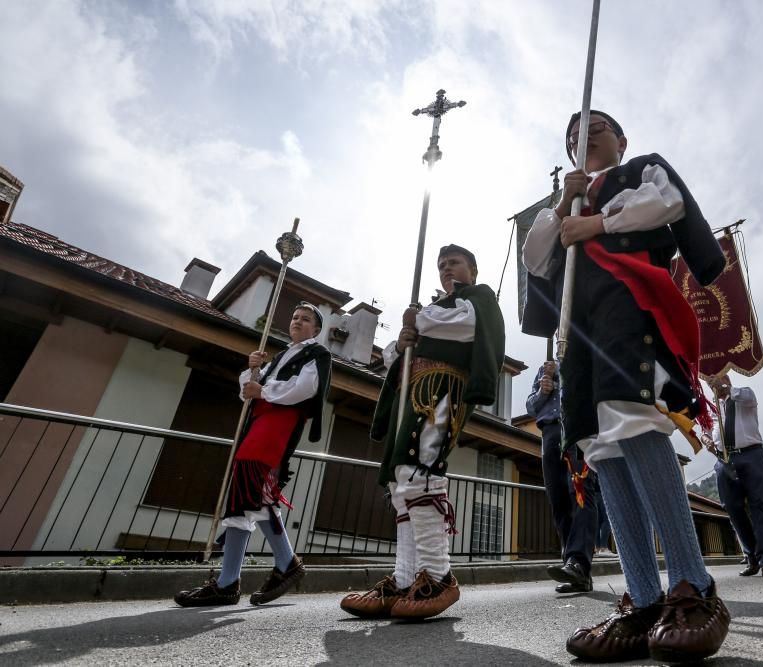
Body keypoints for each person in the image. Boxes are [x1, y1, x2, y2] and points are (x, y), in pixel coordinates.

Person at [522, 109, 730, 663]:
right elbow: (536, 256)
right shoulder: (565, 199)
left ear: (622, 140)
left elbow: (668, 204)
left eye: (598, 127)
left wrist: (598, 223)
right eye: (573, 134)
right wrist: (566, 206)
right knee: (599, 446)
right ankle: (642, 598)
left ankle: (693, 584)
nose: (583, 135)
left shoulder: (640, 169)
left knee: (632, 419)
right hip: (579, 326)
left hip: (627, 304)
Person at [340, 245, 505, 619]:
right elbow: (395, 357)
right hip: (412, 393)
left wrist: (418, 321)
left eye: (455, 263)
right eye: (442, 265)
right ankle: (404, 578)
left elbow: (468, 326)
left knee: (420, 470)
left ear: (473, 270)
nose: (447, 269)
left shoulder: (478, 298)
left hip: (442, 387)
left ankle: (438, 575)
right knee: (401, 483)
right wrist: (402, 339)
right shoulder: (436, 308)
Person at [175, 303, 332, 607]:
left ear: (316, 329)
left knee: (252, 489)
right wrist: (253, 369)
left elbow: (305, 389)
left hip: (278, 423)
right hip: (259, 422)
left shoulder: (317, 354)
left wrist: (263, 390)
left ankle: (275, 566)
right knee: (244, 498)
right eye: (295, 317)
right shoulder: (276, 357)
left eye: (306, 319)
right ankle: (230, 581)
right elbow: (248, 390)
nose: (298, 321)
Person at [525, 359, 598, 592]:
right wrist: (541, 391)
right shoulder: (543, 370)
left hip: (578, 430)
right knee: (558, 499)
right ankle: (573, 567)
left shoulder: (582, 357)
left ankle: (579, 562)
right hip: (550, 433)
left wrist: (560, 376)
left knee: (580, 493)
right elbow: (531, 407)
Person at [702, 375, 763, 578]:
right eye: (709, 382)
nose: (712, 384)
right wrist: (707, 439)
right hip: (724, 460)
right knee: (732, 508)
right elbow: (708, 431)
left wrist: (725, 389)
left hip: (751, 454)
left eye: (716, 379)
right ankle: (751, 557)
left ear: (726, 379)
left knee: (760, 505)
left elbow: (741, 394)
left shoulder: (744, 395)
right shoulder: (712, 409)